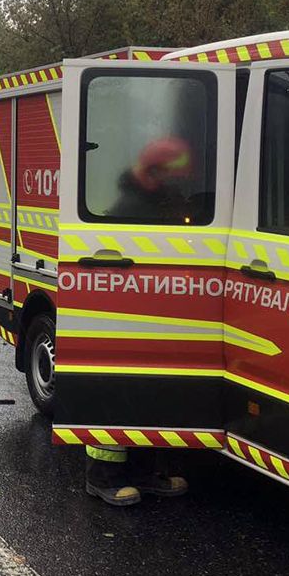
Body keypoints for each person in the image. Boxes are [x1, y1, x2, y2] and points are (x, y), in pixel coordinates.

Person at [84, 135, 197, 506]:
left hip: (155, 315)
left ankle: (145, 473)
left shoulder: (157, 202)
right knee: (120, 393)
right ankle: (102, 478)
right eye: (170, 177)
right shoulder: (131, 206)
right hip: (128, 317)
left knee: (150, 395)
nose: (179, 185)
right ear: (153, 174)